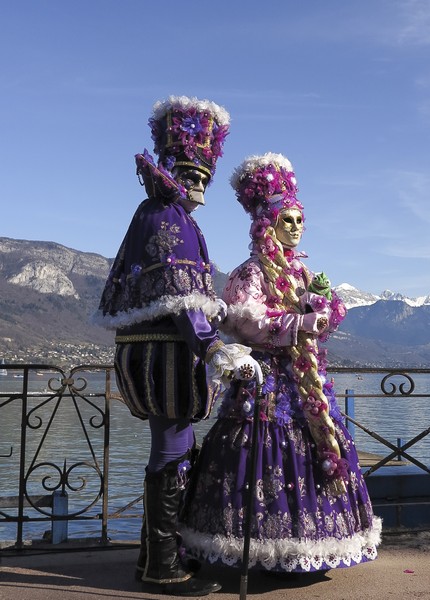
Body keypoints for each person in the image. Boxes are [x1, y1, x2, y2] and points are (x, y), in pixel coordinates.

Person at [178, 152, 382, 574]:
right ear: (266, 224)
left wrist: (324, 312)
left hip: (307, 383)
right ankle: (253, 546)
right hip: (267, 382)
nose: (295, 227)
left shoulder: (302, 274)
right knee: (261, 450)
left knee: (313, 446)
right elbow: (246, 320)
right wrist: (300, 319)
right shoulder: (250, 272)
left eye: (299, 220)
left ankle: (310, 545)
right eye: (286, 220)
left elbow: (319, 324)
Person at [94, 96, 261, 596]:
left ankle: (157, 555)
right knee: (171, 448)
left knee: (175, 448)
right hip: (167, 358)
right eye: (194, 175)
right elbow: (182, 296)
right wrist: (216, 349)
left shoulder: (155, 212)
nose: (200, 188)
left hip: (154, 353)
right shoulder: (168, 217)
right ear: (173, 169)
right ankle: (162, 566)